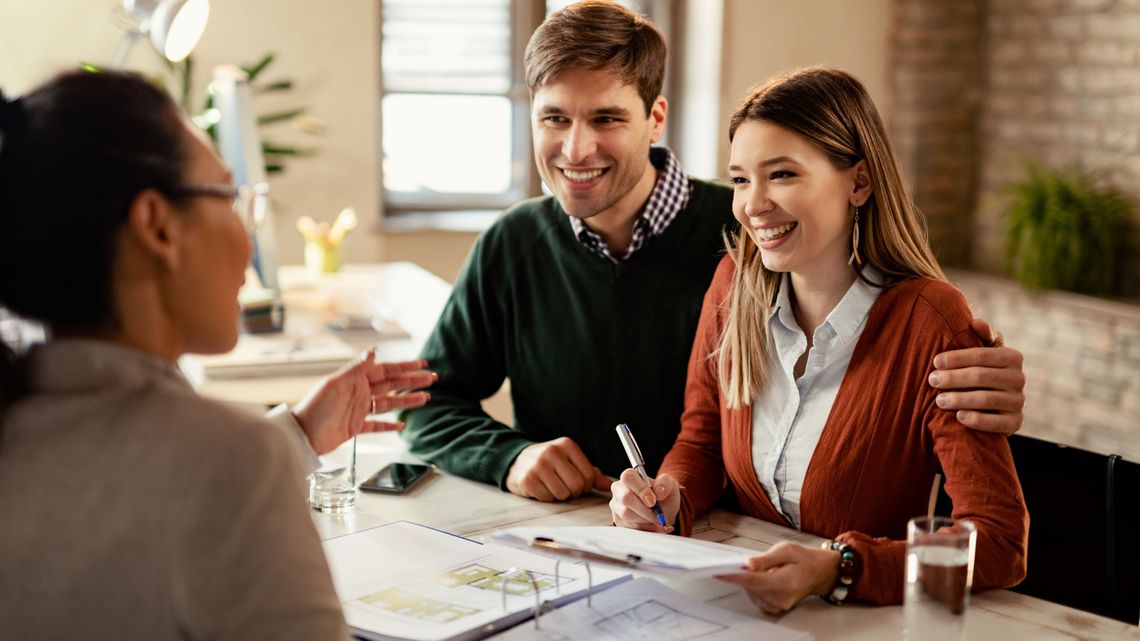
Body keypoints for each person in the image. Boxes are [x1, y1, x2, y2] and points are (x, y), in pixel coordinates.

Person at [401, 0, 1027, 503]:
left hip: (733, 543)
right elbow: (429, 404)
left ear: (656, 119)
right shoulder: (513, 244)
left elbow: (873, 344)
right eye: (554, 118)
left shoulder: (754, 242)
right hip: (573, 541)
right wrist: (511, 457)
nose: (576, 148)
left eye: (608, 119)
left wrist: (970, 364)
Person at [0, 70, 433, 640]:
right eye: (229, 198)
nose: (248, 240)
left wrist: (298, 433)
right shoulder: (230, 461)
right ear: (157, 226)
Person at [609, 67, 1029, 610]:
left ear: (858, 181)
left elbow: (998, 542)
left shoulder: (931, 321)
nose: (753, 205)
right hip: (741, 610)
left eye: (781, 174)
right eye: (740, 179)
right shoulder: (732, 288)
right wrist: (669, 495)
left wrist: (841, 567)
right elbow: (701, 441)